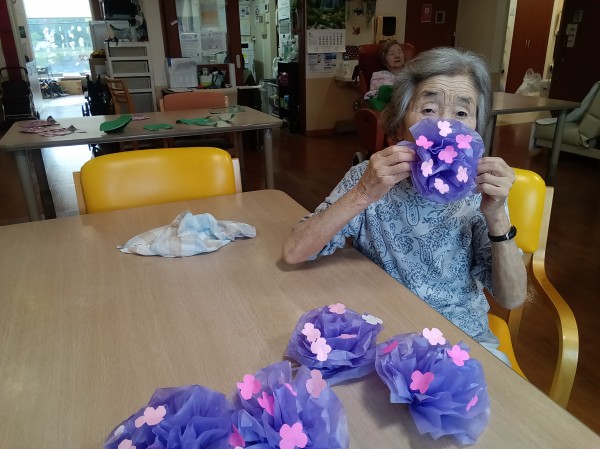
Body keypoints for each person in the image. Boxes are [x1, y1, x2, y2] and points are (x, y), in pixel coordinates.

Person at [282, 47, 527, 363]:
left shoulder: (480, 191)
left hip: (458, 339)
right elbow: (294, 252)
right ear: (399, 126)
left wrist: (496, 215)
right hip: (381, 334)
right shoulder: (369, 177)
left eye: (461, 114)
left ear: (476, 131)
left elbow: (512, 298)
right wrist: (363, 193)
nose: (444, 126)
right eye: (428, 109)